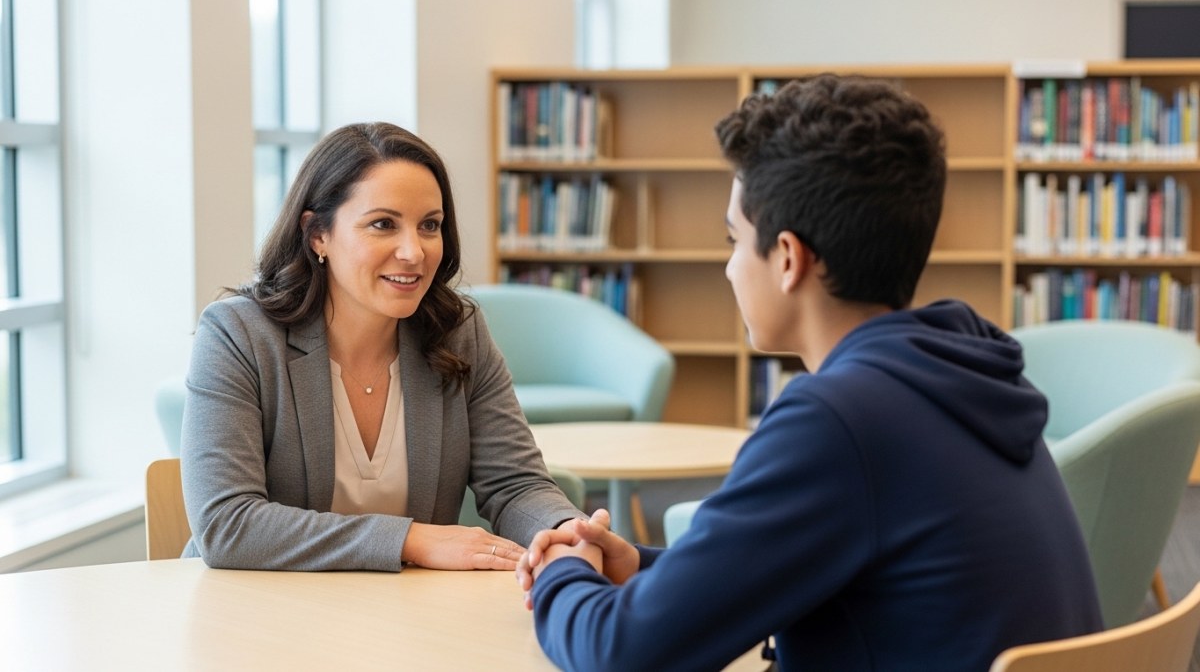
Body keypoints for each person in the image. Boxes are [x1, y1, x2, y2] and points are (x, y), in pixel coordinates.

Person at [517, 75, 1103, 671]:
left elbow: (619, 654)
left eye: (734, 240)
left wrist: (562, 569)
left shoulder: (840, 421)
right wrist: (643, 568)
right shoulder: (964, 373)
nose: (729, 268)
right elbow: (840, 565)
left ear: (789, 259)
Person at [180, 122, 583, 572]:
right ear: (317, 234)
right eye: (383, 224)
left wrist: (570, 533)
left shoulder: (459, 332)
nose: (414, 252)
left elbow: (516, 485)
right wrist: (410, 539)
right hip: (253, 606)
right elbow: (226, 524)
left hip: (407, 607)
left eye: (429, 225)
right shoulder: (237, 334)